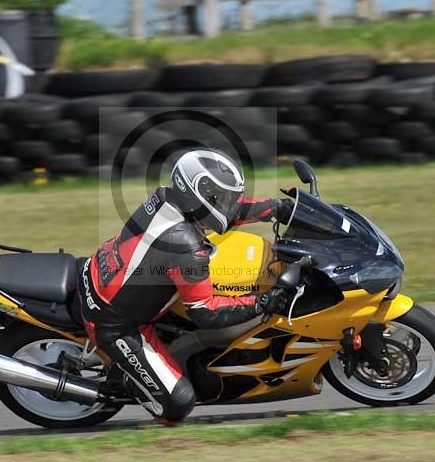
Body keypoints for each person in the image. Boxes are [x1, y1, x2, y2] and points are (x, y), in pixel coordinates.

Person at [77, 149, 294, 424]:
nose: (228, 204)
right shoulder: (184, 245)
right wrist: (264, 303)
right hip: (113, 322)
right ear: (197, 193)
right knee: (179, 404)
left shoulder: (166, 197)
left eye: (228, 197)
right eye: (221, 197)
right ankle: (133, 384)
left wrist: (277, 208)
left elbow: (226, 213)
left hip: (101, 272)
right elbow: (205, 311)